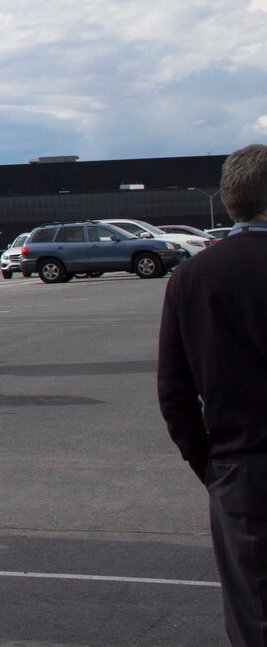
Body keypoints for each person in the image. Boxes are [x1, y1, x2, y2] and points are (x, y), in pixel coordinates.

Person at [157, 143, 267, 646]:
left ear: (228, 202)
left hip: (239, 471)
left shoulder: (189, 278)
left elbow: (174, 395)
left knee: (253, 618)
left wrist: (213, 468)